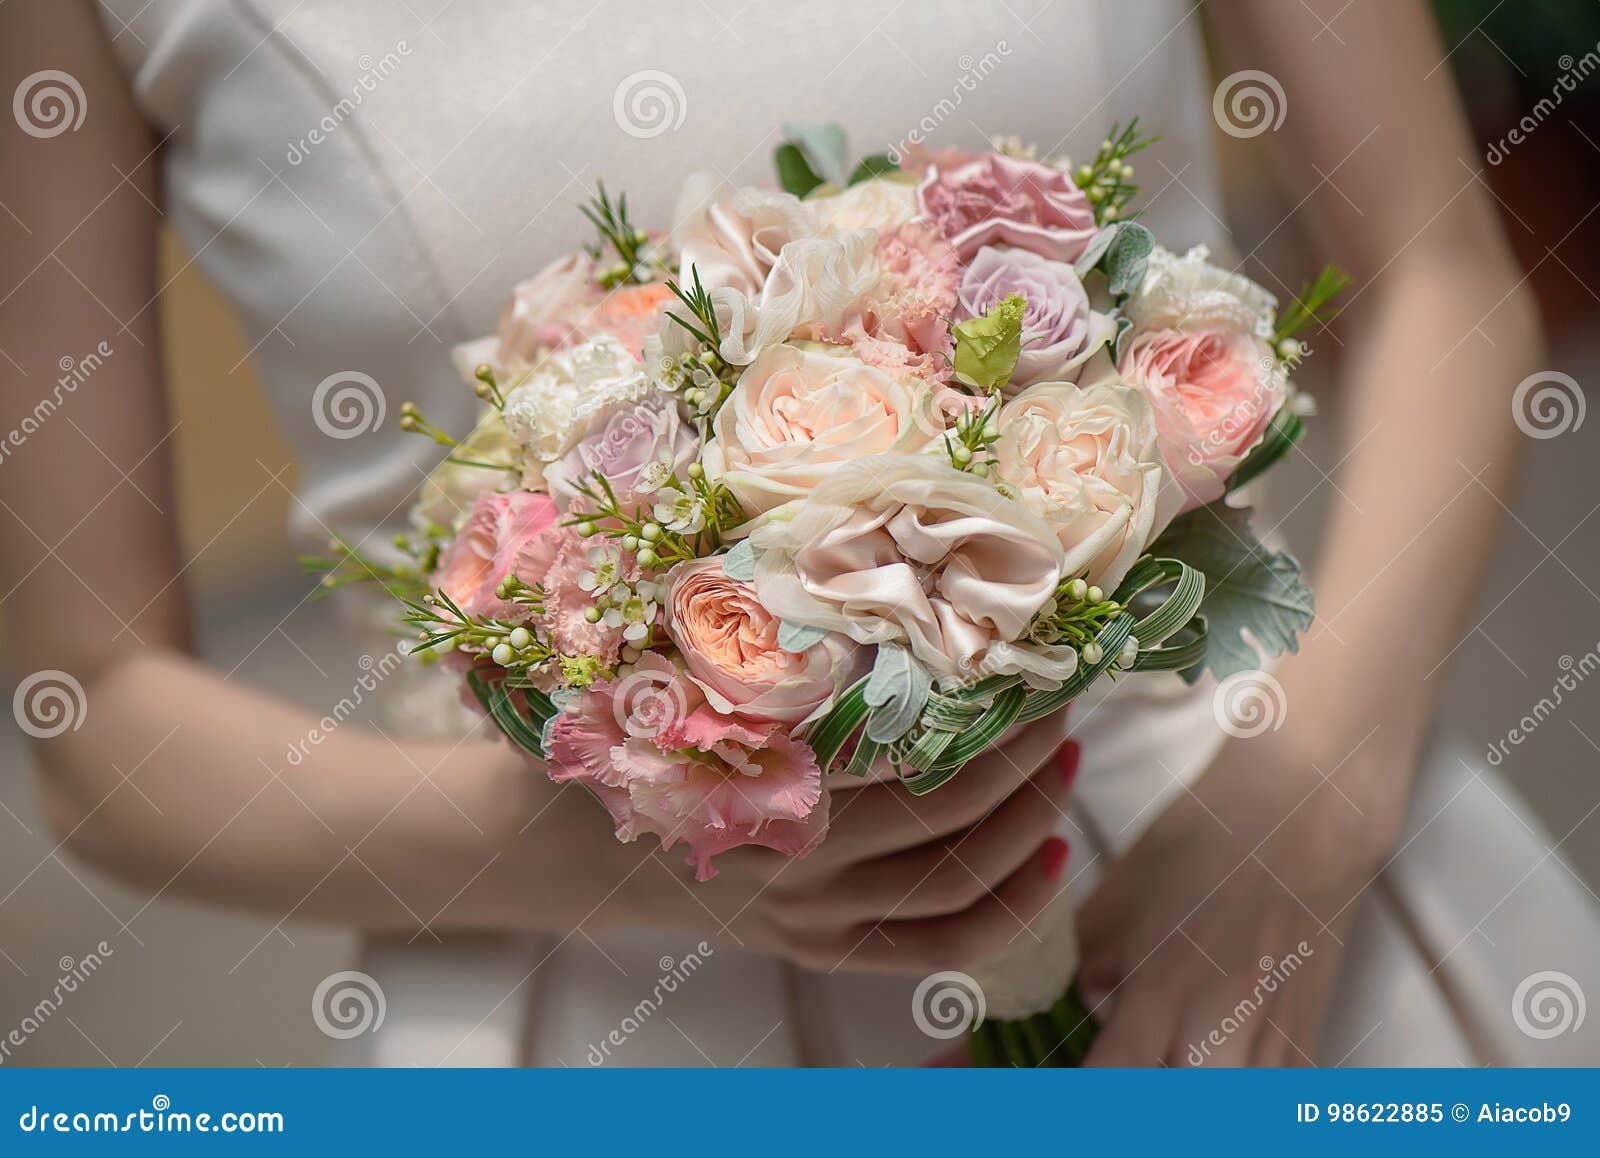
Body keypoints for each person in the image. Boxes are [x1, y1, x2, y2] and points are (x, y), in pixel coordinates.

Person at [1, 0, 1582, 1066]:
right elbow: (92, 714)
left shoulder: (1280, 826)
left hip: (1233, 851)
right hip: (607, 997)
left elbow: (1440, 271)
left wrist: (1306, 808)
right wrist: (618, 852)